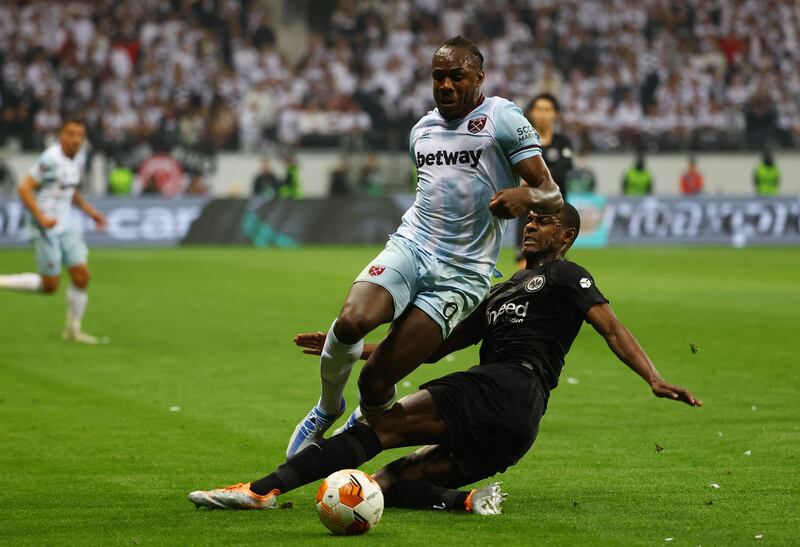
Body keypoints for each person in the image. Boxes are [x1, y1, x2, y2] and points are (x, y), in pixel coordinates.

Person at [188, 204, 701, 514]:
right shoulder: (500, 291)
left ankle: (260, 490)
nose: (532, 227)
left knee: (377, 428)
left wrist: (653, 378)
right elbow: (437, 346)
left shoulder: (566, 276)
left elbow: (610, 325)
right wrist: (350, 347)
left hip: (506, 388)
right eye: (530, 220)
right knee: (387, 483)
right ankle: (468, 502)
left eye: (545, 223)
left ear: (566, 237)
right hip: (518, 425)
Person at [285, 36, 562, 458]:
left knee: (376, 381)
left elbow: (552, 193)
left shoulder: (502, 117)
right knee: (349, 323)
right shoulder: (422, 129)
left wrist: (526, 197)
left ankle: (365, 427)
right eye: (438, 77)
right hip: (412, 246)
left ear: (479, 78)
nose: (446, 85)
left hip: (463, 273)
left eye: (457, 76)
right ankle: (326, 410)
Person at [0, 118, 108, 343]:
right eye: (70, 133)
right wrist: (41, 217)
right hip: (45, 227)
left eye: (79, 134)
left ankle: (72, 330)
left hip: (66, 225)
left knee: (82, 276)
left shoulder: (79, 158)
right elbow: (24, 188)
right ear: (61, 136)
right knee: (50, 286)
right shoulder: (50, 159)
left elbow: (71, 191)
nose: (75, 139)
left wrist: (90, 212)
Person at [516, 93, 573, 268]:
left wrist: (531, 178)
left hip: (556, 213)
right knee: (525, 264)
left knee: (556, 266)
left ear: (555, 114)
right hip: (529, 212)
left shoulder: (563, 141)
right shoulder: (522, 141)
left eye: (547, 109)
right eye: (539, 109)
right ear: (531, 112)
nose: (543, 114)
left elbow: (561, 174)